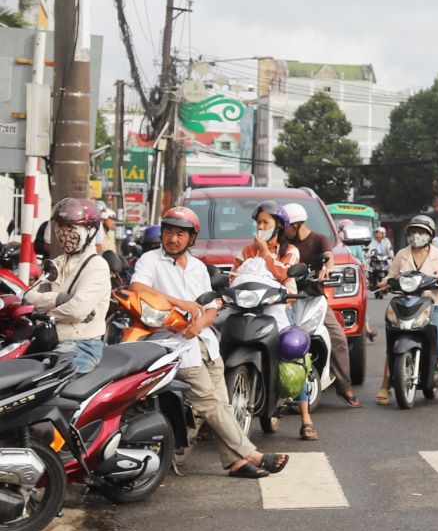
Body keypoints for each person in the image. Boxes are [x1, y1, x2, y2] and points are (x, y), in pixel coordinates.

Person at [129, 206, 289, 478]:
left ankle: (235, 463)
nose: (173, 239)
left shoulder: (198, 267)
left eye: (180, 234)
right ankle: (253, 454)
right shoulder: (150, 260)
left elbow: (212, 309)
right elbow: (137, 288)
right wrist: (180, 303)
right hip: (174, 346)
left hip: (206, 344)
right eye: (169, 232)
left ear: (191, 238)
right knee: (209, 403)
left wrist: (200, 323)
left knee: (222, 406)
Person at [232, 201, 320, 440]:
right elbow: (233, 277)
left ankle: (306, 419)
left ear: (278, 226)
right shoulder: (246, 251)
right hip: (246, 308)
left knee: (292, 352)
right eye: (258, 223)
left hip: (277, 308)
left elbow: (282, 274)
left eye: (265, 222)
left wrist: (265, 252)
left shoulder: (290, 250)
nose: (260, 227)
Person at [375, 215, 438, 406]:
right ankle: (385, 385)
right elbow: (391, 275)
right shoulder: (401, 254)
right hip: (406, 303)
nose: (417, 235)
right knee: (393, 343)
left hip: (434, 303)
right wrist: (384, 283)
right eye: (414, 231)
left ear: (430, 235)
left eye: (422, 232)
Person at [282, 202, 362, 409]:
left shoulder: (319, 239)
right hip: (288, 301)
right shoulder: (284, 243)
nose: (283, 231)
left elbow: (329, 257)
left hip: (314, 299)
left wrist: (327, 269)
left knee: (339, 338)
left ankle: (344, 386)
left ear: (297, 225)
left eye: (286, 226)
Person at [25, 198, 109, 374]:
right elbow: (29, 298)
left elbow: (77, 310)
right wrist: (59, 299)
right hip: (50, 339)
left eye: (70, 228)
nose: (64, 234)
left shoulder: (97, 266)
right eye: (60, 227)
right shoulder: (57, 263)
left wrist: (44, 314)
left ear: (90, 231)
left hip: (82, 345)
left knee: (43, 378)